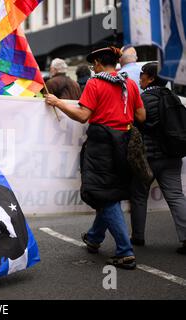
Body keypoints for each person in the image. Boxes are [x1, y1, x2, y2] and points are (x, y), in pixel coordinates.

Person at [45, 47, 146, 270]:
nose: (93, 68)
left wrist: (58, 102)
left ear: (99, 63)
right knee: (111, 192)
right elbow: (141, 115)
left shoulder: (95, 83)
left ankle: (125, 251)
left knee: (104, 194)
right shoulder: (128, 83)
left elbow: (82, 116)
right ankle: (94, 237)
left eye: (94, 65)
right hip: (125, 141)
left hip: (101, 143)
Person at [130, 62, 186, 254]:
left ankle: (138, 236)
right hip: (173, 155)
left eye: (143, 75)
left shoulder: (143, 99)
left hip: (148, 157)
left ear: (151, 78)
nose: (140, 78)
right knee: (176, 196)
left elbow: (133, 124)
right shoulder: (175, 98)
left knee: (139, 195)